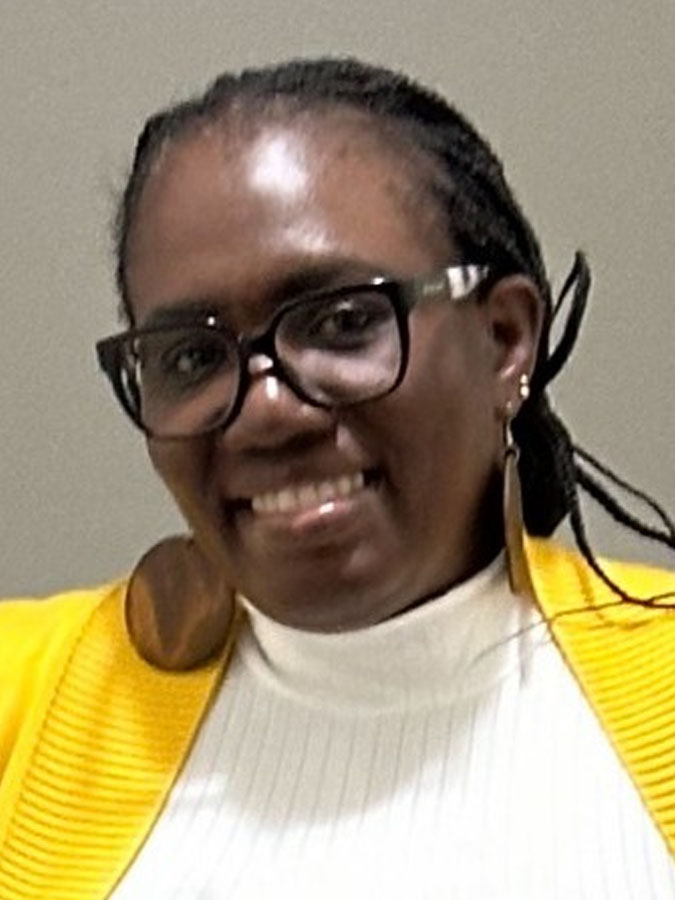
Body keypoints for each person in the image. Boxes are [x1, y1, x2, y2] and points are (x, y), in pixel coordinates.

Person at [1, 57, 674, 900]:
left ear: (504, 340)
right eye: (188, 356)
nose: (267, 411)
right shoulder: (20, 701)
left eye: (345, 321)